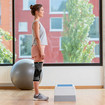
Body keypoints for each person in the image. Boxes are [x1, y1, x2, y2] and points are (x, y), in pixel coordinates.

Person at [30, 4, 49, 101]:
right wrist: (41, 51)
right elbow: (37, 38)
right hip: (38, 49)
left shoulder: (37, 23)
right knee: (37, 71)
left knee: (38, 70)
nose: (43, 11)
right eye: (42, 10)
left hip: (39, 48)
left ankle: (37, 94)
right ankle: (37, 94)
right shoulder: (36, 23)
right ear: (37, 12)